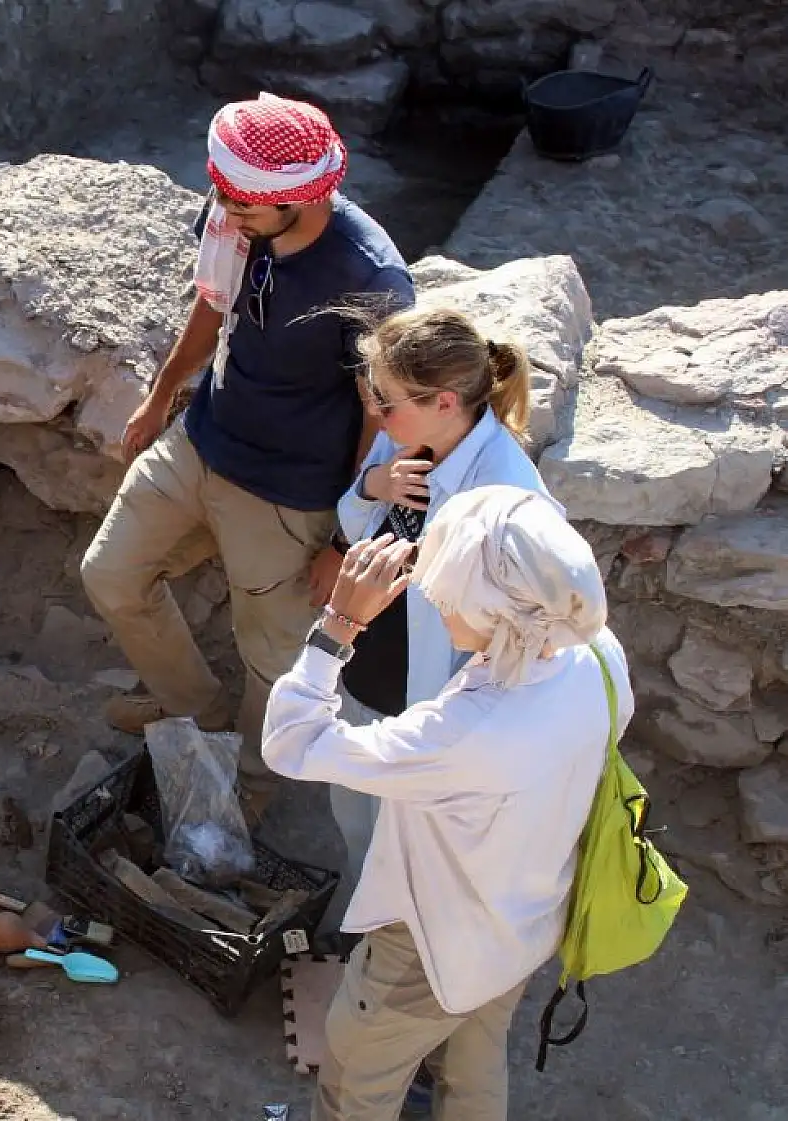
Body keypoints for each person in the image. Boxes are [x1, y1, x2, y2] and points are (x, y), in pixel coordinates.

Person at [80, 92, 414, 794]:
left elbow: (381, 419)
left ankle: (255, 780)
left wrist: (345, 539)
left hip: (288, 491)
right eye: (223, 201)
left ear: (301, 198)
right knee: (111, 574)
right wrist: (161, 395)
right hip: (203, 441)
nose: (224, 216)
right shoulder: (240, 209)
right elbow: (213, 300)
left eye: (243, 209)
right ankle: (196, 713)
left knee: (273, 656)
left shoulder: (369, 280)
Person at [263, 487, 632, 1121]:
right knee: (473, 1068)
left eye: (446, 594)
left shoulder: (462, 734)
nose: (434, 603)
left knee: (354, 1084)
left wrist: (339, 625)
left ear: (492, 608)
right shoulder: (596, 653)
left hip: (430, 951)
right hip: (523, 921)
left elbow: (291, 742)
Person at [322, 306, 554, 938]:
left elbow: (535, 633)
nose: (376, 412)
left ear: (445, 401)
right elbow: (351, 525)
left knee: (412, 846)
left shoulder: (508, 497)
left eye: (387, 401)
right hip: (366, 676)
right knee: (357, 822)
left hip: (431, 708)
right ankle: (362, 931)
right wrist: (373, 485)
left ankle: (396, 951)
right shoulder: (406, 440)